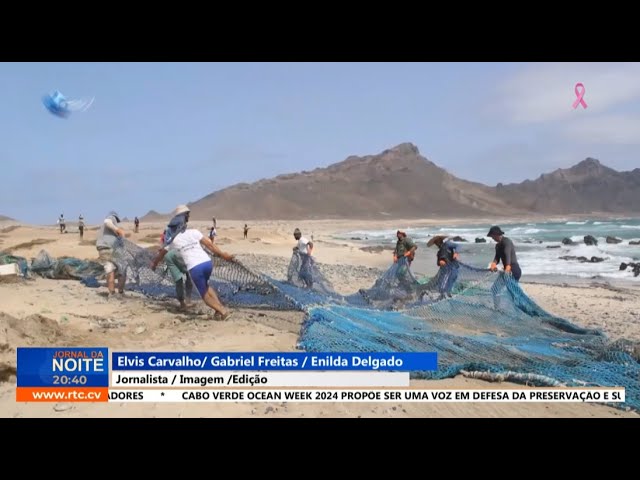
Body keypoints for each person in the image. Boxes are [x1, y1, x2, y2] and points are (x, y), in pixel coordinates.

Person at [151, 205, 235, 320]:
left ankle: (223, 311)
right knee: (206, 286)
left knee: (204, 295)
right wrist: (223, 255)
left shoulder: (174, 241)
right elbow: (210, 245)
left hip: (195, 268)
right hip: (207, 263)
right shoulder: (194, 232)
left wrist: (154, 264)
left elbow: (161, 254)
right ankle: (218, 309)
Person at [96, 211, 127, 297]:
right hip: (110, 249)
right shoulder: (111, 218)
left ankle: (112, 293)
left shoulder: (103, 231)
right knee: (121, 269)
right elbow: (107, 222)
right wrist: (117, 229)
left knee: (109, 269)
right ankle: (120, 292)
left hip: (103, 249)